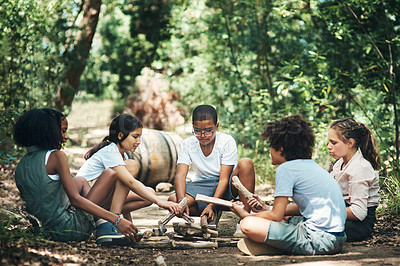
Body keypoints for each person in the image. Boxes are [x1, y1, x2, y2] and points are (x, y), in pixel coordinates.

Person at [13, 108, 140, 245]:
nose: (66, 136)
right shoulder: (56, 156)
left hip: (46, 230)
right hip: (68, 229)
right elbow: (75, 200)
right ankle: (108, 225)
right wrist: (116, 219)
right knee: (110, 173)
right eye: (63, 131)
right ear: (48, 131)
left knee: (81, 181)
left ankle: (102, 223)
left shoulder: (21, 165)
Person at [231, 114, 347, 256]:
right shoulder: (311, 165)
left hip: (319, 240)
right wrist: (267, 208)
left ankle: (278, 246)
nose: (269, 151)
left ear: (280, 148)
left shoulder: (285, 169)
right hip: (338, 238)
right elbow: (304, 206)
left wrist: (244, 214)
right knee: (278, 218)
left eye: (271, 146)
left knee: (248, 225)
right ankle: (278, 243)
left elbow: (276, 217)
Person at [76, 114, 180, 227]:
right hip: (86, 200)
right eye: (135, 137)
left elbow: (122, 191)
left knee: (149, 194)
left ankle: (116, 219)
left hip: (100, 200)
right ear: (121, 135)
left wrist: (130, 224)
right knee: (131, 165)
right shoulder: (110, 152)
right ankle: (114, 220)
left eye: (140, 137)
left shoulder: (122, 155)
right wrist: (160, 201)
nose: (139, 141)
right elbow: (130, 182)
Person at [168, 104, 255, 234]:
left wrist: (211, 204)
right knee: (172, 202)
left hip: (226, 186)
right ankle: (208, 213)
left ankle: (244, 220)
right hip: (203, 186)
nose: (203, 135)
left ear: (217, 126)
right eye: (197, 130)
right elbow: (180, 175)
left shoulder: (226, 141)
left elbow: (224, 179)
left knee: (246, 163)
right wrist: (182, 201)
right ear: (192, 127)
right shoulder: (188, 144)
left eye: (208, 130)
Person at [327, 118, 380, 242]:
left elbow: (358, 213)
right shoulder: (340, 163)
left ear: (350, 143)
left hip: (358, 225)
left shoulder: (360, 167)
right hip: (344, 212)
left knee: (313, 225)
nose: (329, 147)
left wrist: (325, 211)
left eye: (333, 143)